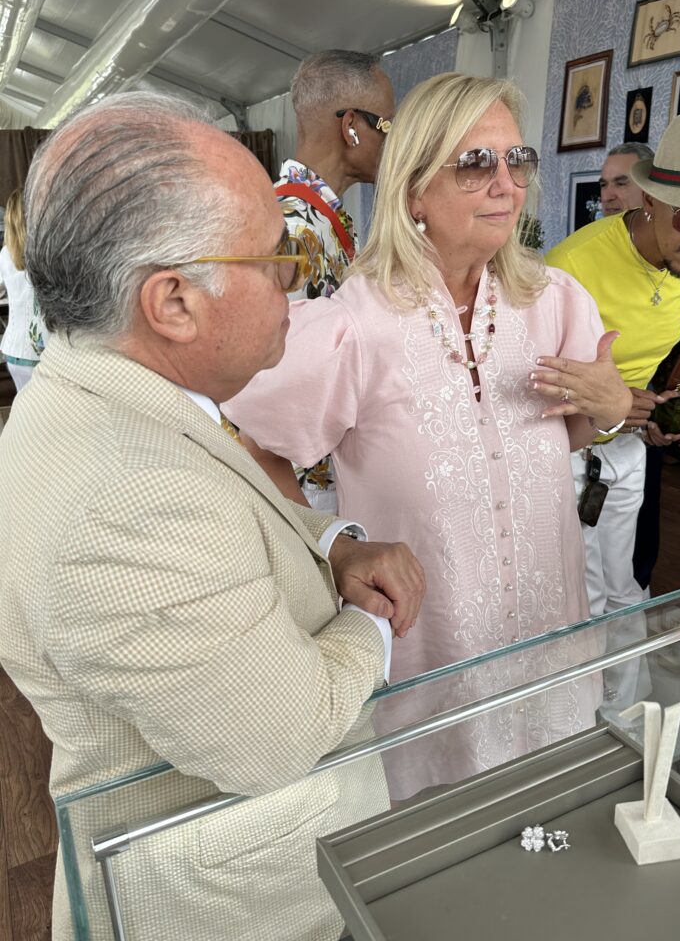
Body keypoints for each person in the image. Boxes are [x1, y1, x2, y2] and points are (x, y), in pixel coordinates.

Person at [0, 92, 426, 941]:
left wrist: (332, 545)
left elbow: (227, 511)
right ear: (173, 303)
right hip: (234, 910)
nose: (293, 281)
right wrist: (371, 623)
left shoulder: (113, 392)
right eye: (270, 257)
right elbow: (281, 733)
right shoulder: (122, 503)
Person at [224, 72, 631, 798]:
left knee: (554, 813)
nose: (507, 184)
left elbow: (566, 434)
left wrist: (611, 406)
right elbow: (250, 445)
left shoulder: (555, 301)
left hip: (545, 620)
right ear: (414, 191)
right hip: (433, 641)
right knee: (440, 843)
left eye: (518, 160)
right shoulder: (356, 324)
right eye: (476, 163)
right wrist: (336, 545)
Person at [547, 115, 680, 646]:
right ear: (651, 200)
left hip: (628, 446)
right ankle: (586, 715)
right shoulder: (571, 268)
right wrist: (616, 402)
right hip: (565, 450)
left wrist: (669, 407)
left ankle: (630, 713)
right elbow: (530, 381)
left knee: (627, 587)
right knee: (583, 596)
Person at [250, 50, 396, 513]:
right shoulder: (293, 229)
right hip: (299, 487)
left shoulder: (317, 217)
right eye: (388, 127)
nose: (394, 143)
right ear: (352, 126)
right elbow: (257, 383)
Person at [599, 143, 680, 594]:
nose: (609, 194)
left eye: (622, 182)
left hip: (651, 411)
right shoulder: (589, 253)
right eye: (605, 184)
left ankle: (638, 607)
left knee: (638, 538)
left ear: (652, 196)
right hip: (592, 423)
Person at [0, 188, 44, 392]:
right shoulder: (44, 251)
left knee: (25, 410)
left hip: (13, 349)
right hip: (41, 349)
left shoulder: (5, 253)